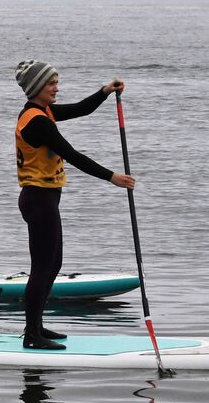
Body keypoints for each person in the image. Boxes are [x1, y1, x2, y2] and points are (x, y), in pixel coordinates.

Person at [13, 60, 136, 350]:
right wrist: (112, 177)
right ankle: (32, 335)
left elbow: (81, 108)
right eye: (51, 83)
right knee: (42, 267)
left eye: (56, 82)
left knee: (53, 264)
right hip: (38, 199)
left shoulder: (43, 111)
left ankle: (36, 326)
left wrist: (104, 91)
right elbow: (70, 153)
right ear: (36, 88)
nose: (56, 88)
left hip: (44, 199)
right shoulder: (37, 120)